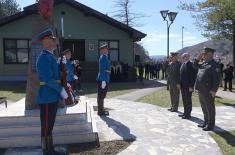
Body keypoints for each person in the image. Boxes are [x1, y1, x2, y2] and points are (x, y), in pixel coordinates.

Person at [36, 28, 67, 155]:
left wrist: (60, 65)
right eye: (52, 39)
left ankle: (50, 149)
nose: (55, 42)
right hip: (47, 97)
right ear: (46, 41)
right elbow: (48, 79)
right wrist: (60, 89)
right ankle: (46, 151)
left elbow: (55, 75)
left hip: (51, 96)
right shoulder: (44, 58)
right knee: (46, 126)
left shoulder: (50, 57)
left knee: (50, 125)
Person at [194, 47, 221, 131]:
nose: (203, 55)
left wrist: (214, 90)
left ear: (210, 54)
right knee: (204, 107)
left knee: (210, 108)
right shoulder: (204, 63)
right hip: (201, 89)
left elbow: (217, 79)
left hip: (208, 90)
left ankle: (210, 124)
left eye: (205, 54)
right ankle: (206, 121)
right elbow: (194, 66)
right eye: (203, 54)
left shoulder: (215, 64)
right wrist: (197, 59)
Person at [179, 53, 196, 119]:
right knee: (184, 100)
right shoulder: (183, 64)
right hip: (183, 86)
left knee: (188, 100)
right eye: (183, 56)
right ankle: (185, 112)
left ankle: (188, 114)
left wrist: (191, 86)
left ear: (188, 57)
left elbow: (193, 76)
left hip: (188, 86)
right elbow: (181, 75)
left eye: (184, 56)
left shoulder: (191, 64)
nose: (183, 57)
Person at [97, 43, 111, 116]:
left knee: (102, 95)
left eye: (107, 49)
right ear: (102, 50)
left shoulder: (104, 57)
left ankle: (101, 109)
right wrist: (103, 80)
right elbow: (102, 70)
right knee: (101, 95)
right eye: (106, 49)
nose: (107, 50)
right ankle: (100, 111)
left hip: (104, 78)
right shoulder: (103, 58)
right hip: (103, 78)